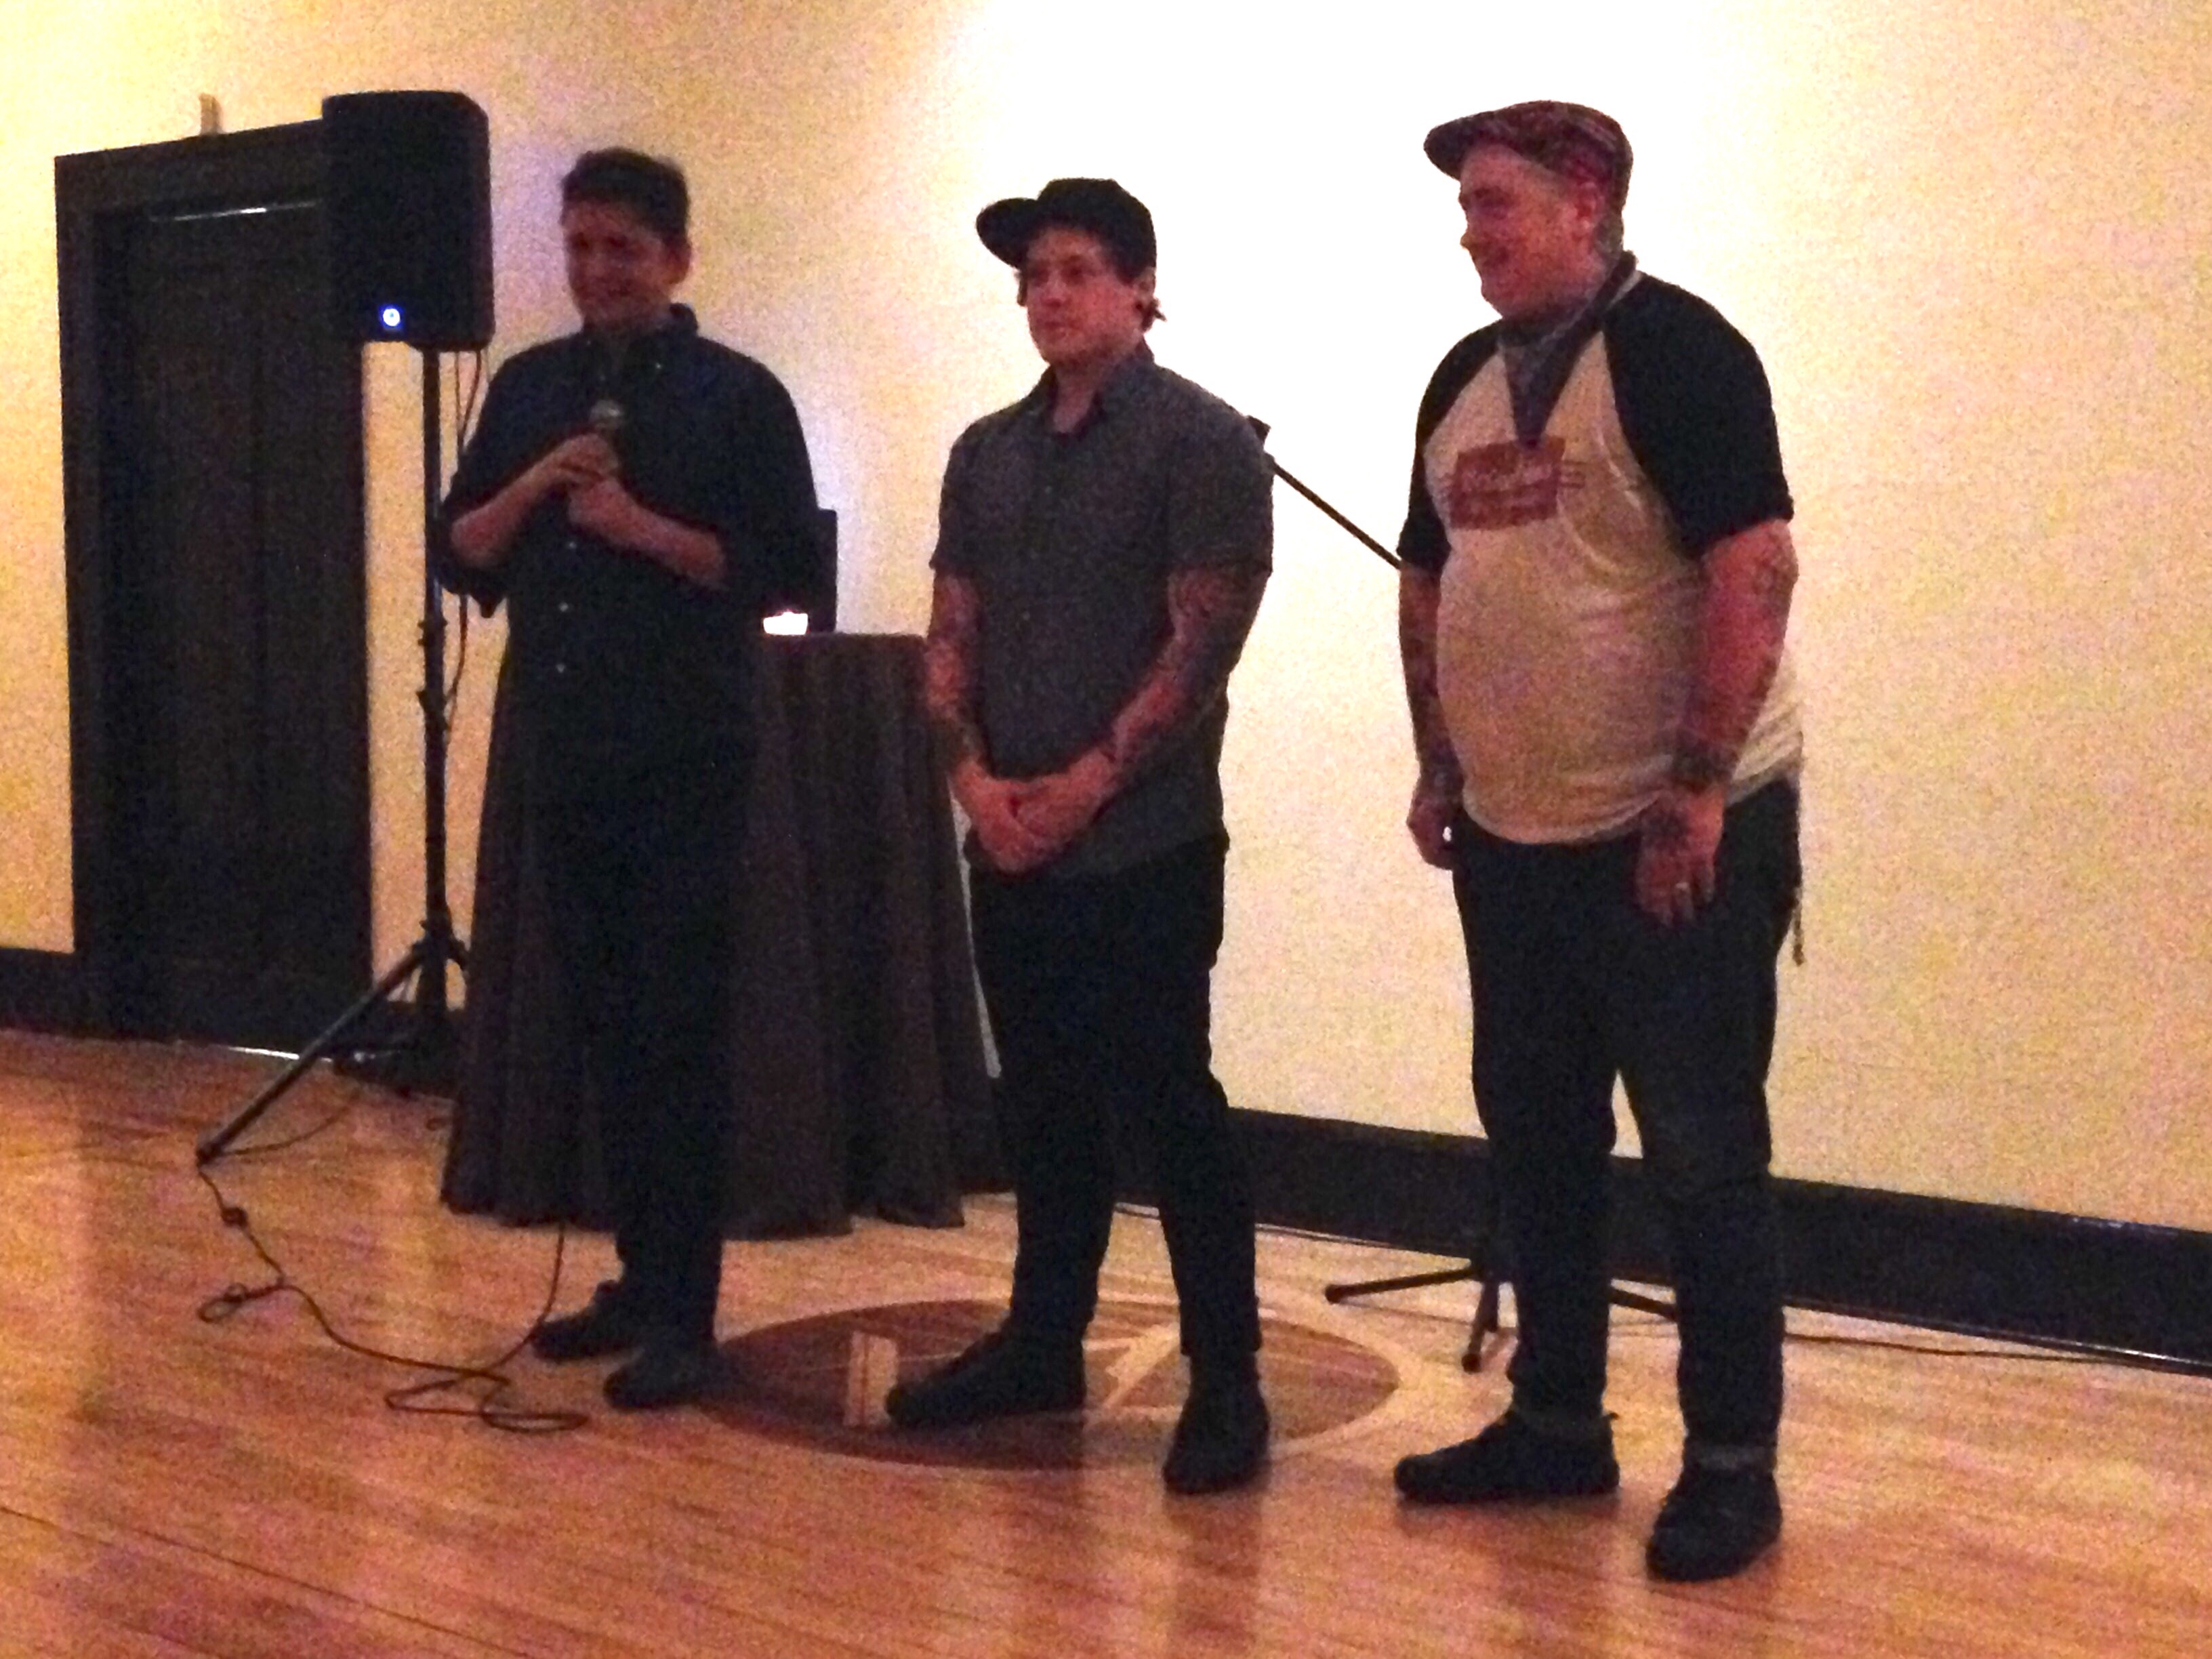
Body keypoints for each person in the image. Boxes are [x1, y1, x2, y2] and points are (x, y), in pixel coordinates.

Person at [1389, 102, 1805, 1581]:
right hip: (1515, 838)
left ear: (1587, 201)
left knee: (1701, 1152)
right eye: (1464, 206)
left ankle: (1733, 1468)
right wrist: (1441, 758)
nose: (1469, 231)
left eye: (1493, 202)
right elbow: (1429, 579)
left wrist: (1696, 791)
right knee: (1538, 1134)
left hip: (1668, 834)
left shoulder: (1680, 352)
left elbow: (1755, 567)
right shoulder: (1460, 380)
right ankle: (1557, 1424)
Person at [886, 178, 1275, 1494]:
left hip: (1144, 845)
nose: (1048, 294)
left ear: (1140, 289)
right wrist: (974, 782)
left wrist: (1086, 786)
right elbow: (952, 629)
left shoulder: (1201, 440)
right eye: (1033, 276)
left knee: (1171, 1104)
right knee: (1043, 1105)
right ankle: (1042, 1344)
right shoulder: (985, 452)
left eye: (1076, 271)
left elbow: (1203, 647)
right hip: (1009, 836)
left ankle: (1227, 1381)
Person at [437, 149, 819, 1410]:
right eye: (580, 245)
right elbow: (461, 551)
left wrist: (635, 529)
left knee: (677, 1033)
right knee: (604, 1024)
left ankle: (686, 1316)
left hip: (685, 760)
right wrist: (533, 486)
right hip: (564, 752)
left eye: (623, 249)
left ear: (677, 259)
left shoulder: (738, 397)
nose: (597, 269)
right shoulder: (530, 387)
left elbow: (781, 575)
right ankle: (640, 1279)